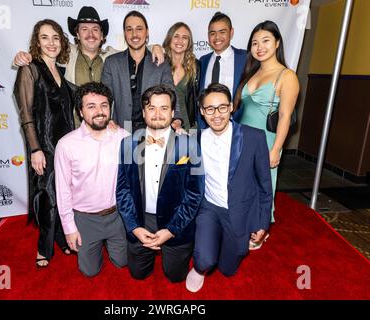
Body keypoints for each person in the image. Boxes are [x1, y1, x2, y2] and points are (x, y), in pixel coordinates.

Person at [13, 6, 164, 128]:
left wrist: (156, 47)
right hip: (74, 130)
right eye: (84, 29)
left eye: (95, 29)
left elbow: (136, 47)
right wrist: (23, 57)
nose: (90, 34)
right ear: (77, 34)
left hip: (105, 130)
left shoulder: (112, 57)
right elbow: (45, 53)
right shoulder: (65, 54)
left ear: (102, 35)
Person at [185, 83, 272, 293]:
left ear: (231, 107)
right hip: (209, 207)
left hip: (240, 210)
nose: (217, 115)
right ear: (202, 111)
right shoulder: (194, 139)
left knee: (228, 268)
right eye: (210, 109)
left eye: (222, 107)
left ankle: (229, 243)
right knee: (205, 260)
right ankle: (199, 268)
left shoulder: (254, 137)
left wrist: (262, 223)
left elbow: (265, 185)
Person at [116, 84, 204, 283]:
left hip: (177, 220)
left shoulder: (190, 145)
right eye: (151, 108)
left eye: (164, 108)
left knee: (175, 277)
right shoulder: (127, 144)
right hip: (141, 218)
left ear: (173, 112)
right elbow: (122, 190)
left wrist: (171, 230)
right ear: (144, 111)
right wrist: (135, 228)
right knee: (138, 275)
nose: (157, 114)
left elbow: (195, 194)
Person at [13, 19, 75, 268]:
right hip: (45, 147)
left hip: (66, 148)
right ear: (36, 42)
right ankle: (43, 248)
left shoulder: (60, 71)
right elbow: (26, 114)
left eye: (56, 37)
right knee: (48, 197)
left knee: (63, 196)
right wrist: (35, 149)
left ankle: (60, 237)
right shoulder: (30, 70)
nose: (51, 43)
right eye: (45, 37)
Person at [234, 20, 299, 249]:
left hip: (266, 141)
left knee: (264, 185)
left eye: (265, 41)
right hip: (242, 139)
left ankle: (261, 229)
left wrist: (276, 148)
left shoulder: (287, 76)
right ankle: (243, 220)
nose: (259, 46)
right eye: (254, 42)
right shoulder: (252, 71)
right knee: (243, 184)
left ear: (277, 43)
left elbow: (285, 117)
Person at [54, 82, 128, 277]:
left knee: (122, 263)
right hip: (85, 219)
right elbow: (62, 191)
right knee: (89, 272)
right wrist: (69, 228)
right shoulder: (66, 145)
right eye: (91, 106)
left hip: (117, 216)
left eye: (104, 105)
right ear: (80, 111)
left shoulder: (122, 137)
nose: (99, 111)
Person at [101, 11, 182, 134]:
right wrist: (107, 119)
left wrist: (176, 118)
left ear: (147, 32)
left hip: (153, 129)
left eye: (139, 29)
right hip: (119, 130)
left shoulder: (161, 62)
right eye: (129, 29)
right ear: (124, 33)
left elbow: (171, 92)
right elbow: (104, 97)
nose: (134, 34)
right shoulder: (111, 63)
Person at [197, 12, 247, 129]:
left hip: (236, 128)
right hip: (205, 128)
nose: (217, 37)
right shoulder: (202, 61)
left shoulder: (245, 58)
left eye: (222, 32)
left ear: (231, 32)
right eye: (212, 33)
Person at [162, 22, 201, 130]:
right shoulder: (159, 64)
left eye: (185, 37)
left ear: (189, 43)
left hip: (188, 127)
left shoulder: (196, 67)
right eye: (176, 36)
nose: (180, 41)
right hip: (162, 126)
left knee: (188, 147)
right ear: (169, 39)